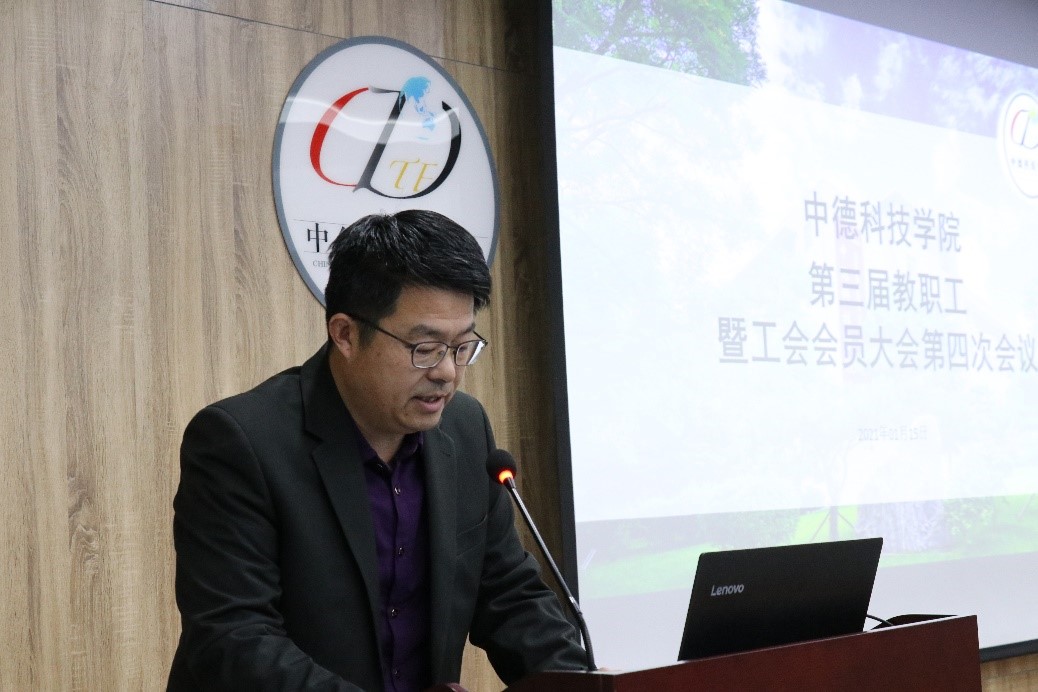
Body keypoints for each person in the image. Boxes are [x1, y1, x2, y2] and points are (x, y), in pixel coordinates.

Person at [168, 209, 586, 691]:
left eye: (462, 346)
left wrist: (584, 686)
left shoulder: (465, 430)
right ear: (345, 334)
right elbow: (235, 640)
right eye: (425, 347)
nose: (447, 372)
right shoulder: (243, 441)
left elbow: (511, 598)